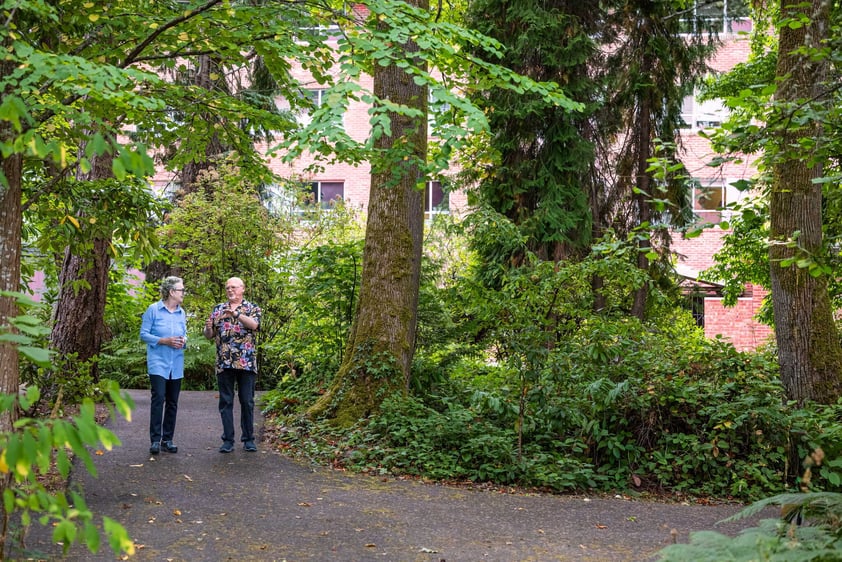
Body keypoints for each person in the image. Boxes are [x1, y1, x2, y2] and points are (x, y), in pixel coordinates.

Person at [203, 276, 262, 453]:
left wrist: (236, 314)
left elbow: (254, 325)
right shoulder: (218, 309)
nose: (230, 290)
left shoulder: (252, 308)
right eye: (228, 287)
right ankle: (228, 440)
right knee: (226, 402)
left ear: (242, 289)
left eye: (234, 287)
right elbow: (209, 335)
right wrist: (207, 328)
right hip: (224, 362)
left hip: (246, 362)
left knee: (247, 401)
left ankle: (248, 439)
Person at [140, 276, 187, 455]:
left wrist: (184, 340)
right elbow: (144, 334)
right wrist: (163, 340)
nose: (183, 293)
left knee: (173, 402)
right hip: (158, 362)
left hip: (176, 363)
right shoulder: (153, 310)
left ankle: (168, 439)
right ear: (172, 292)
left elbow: (184, 334)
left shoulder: (181, 313)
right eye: (181, 290)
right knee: (159, 398)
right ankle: (155, 440)